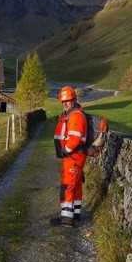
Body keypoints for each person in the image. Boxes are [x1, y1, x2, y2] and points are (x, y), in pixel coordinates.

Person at [51, 85, 87, 227]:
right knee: (76, 185)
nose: (65, 104)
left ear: (73, 100)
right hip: (75, 156)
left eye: (68, 101)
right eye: (63, 102)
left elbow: (75, 137)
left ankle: (66, 219)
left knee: (68, 186)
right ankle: (75, 214)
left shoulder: (76, 116)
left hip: (73, 156)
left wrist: (65, 150)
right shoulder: (71, 114)